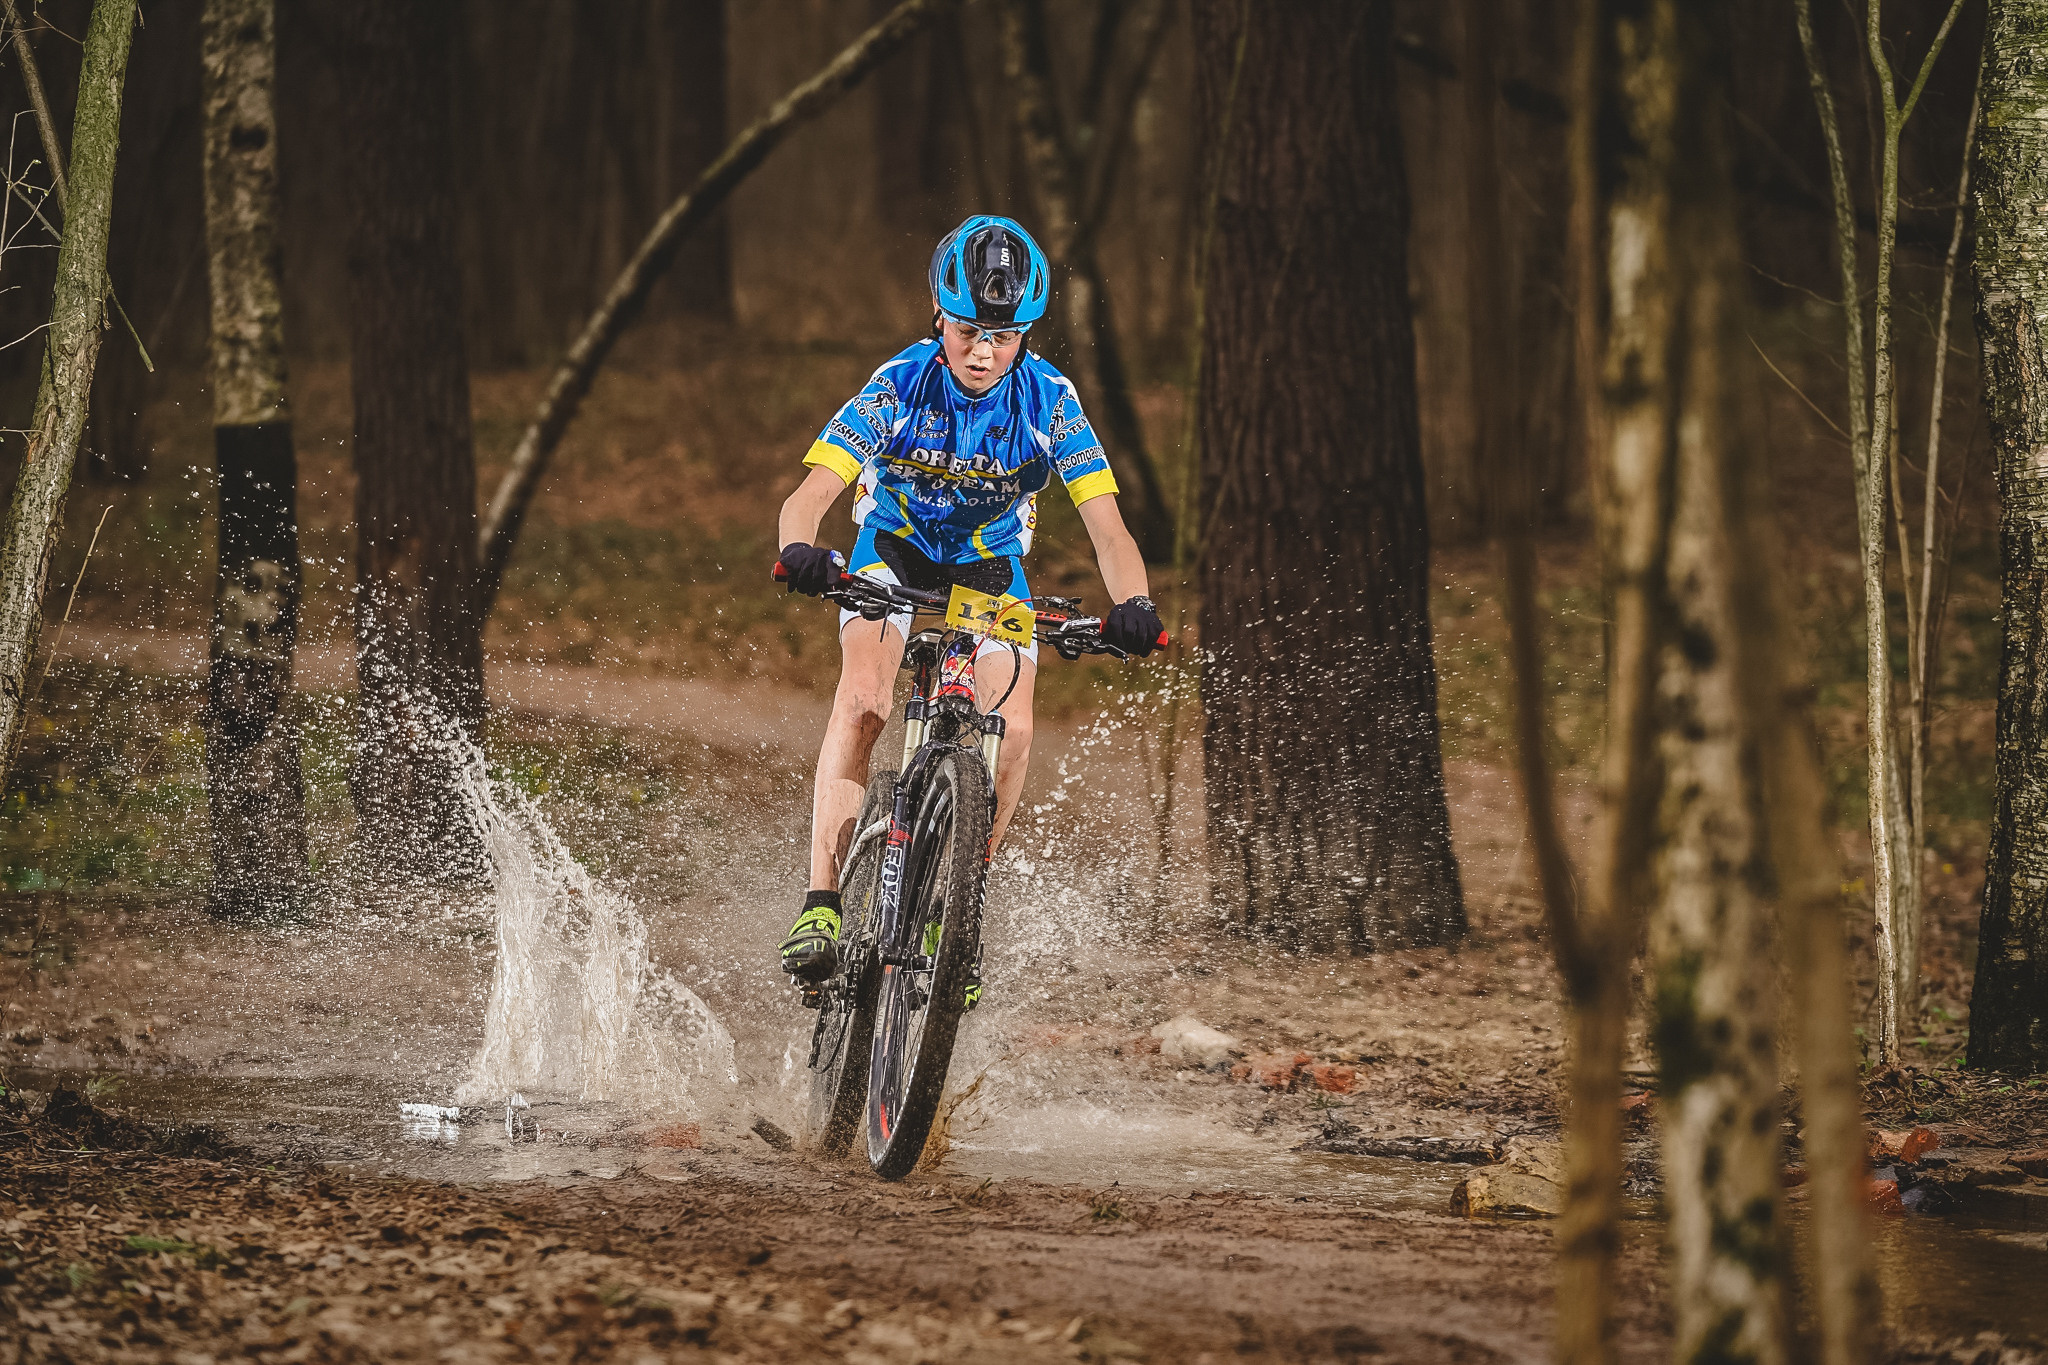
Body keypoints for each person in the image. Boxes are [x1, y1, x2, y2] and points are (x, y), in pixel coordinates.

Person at [772, 214, 1163, 1004]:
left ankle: (956, 914)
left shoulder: (1050, 400)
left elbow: (1110, 528)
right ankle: (820, 903)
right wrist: (803, 550)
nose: (983, 352)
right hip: (896, 553)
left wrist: (1135, 602)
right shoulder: (899, 384)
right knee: (866, 702)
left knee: (1012, 731)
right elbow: (810, 494)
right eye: (966, 331)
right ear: (938, 317)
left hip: (989, 576)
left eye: (1005, 335)